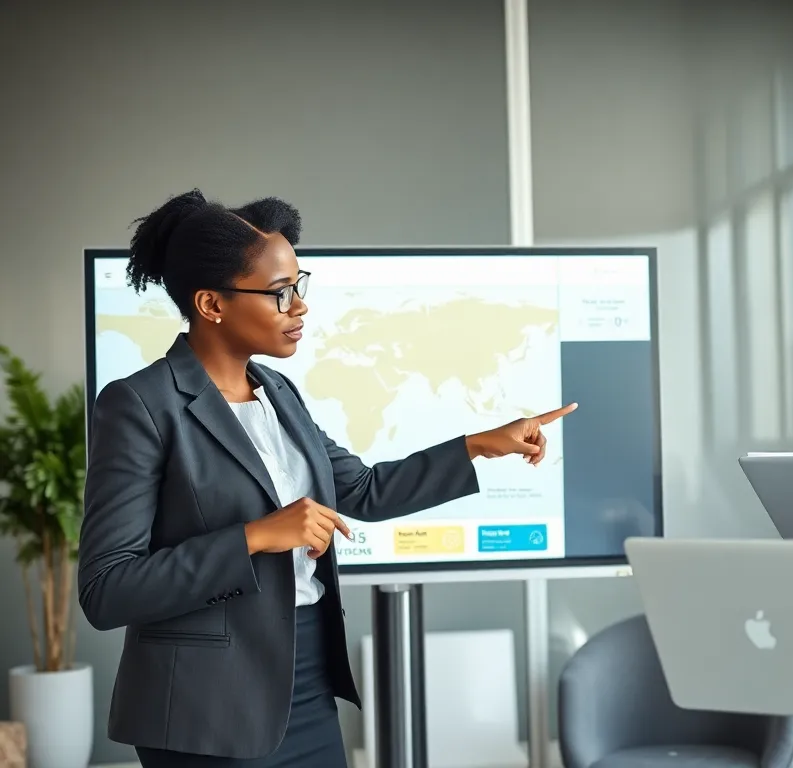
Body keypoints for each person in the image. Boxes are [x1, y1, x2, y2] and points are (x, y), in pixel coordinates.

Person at [77, 189, 576, 767]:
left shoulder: (278, 392)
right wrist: (255, 537)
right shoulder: (140, 404)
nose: (300, 307)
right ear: (211, 304)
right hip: (206, 702)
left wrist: (479, 446)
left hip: (306, 675)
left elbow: (363, 489)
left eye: (299, 286)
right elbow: (107, 589)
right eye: (279, 293)